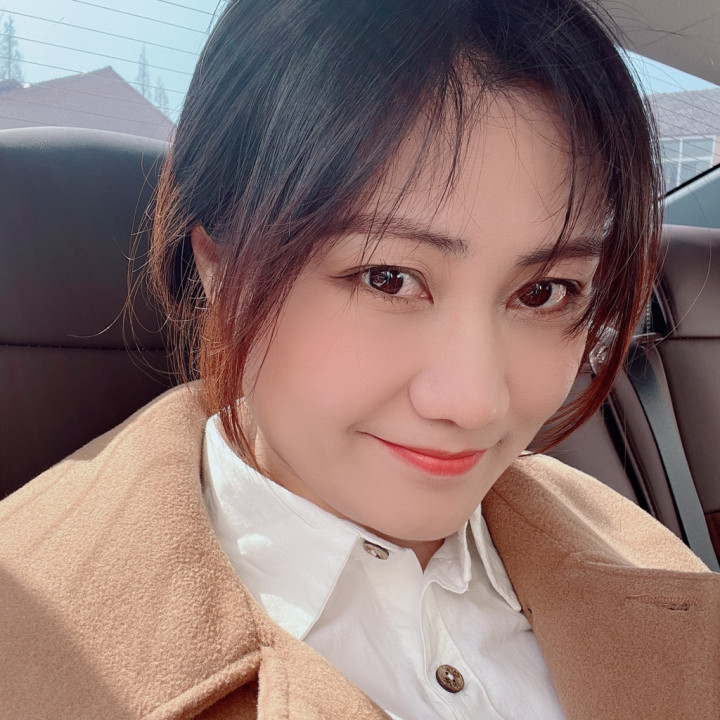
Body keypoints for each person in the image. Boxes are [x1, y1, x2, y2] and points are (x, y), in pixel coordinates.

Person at [1, 0, 718, 718]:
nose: (473, 403)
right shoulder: (30, 643)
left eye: (544, 292)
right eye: (387, 278)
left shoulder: (637, 546)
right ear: (219, 263)